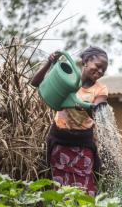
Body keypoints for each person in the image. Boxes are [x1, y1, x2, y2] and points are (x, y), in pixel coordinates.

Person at [31, 46, 109, 196]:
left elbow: (98, 111)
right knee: (59, 189)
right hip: (60, 141)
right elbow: (35, 82)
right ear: (86, 61)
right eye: (98, 66)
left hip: (83, 145)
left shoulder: (100, 89)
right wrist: (49, 63)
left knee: (85, 190)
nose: (99, 72)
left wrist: (86, 106)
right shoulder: (68, 79)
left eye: (103, 71)